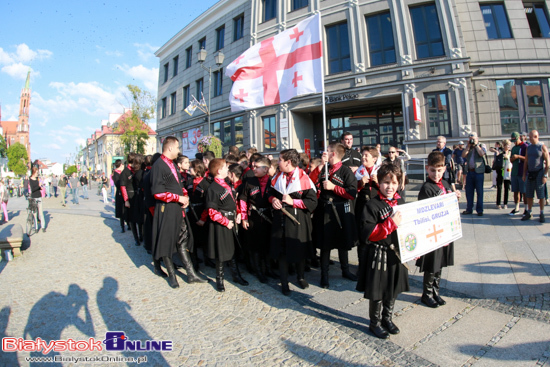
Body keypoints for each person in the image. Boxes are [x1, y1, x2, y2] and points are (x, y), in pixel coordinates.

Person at [356, 163, 408, 339]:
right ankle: (375, 323)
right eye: (386, 182)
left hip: (396, 254)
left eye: (393, 183)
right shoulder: (371, 205)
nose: (390, 187)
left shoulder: (401, 202)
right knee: (378, 291)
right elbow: (368, 233)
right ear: (379, 183)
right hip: (378, 253)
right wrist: (390, 223)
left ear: (399, 183)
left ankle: (387, 318)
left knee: (392, 288)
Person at [151, 137, 206, 288]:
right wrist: (178, 197)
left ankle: (191, 274)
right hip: (167, 209)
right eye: (177, 147)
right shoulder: (159, 165)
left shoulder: (172, 165)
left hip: (178, 209)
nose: (178, 150)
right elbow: (157, 192)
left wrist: (184, 196)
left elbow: (177, 184)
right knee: (167, 242)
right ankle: (172, 276)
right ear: (169, 148)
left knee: (182, 240)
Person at [269, 149, 317, 295]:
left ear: (288, 162)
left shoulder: (304, 178)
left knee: (299, 250)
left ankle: (300, 277)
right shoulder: (278, 177)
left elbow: (312, 202)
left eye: (280, 159)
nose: (278, 162)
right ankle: (284, 283)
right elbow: (270, 194)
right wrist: (273, 200)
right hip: (281, 220)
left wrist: (293, 202)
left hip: (298, 221)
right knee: (282, 252)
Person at [416, 152, 461, 308]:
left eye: (439, 170)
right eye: (433, 170)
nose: (436, 174)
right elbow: (424, 212)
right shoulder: (426, 188)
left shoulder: (447, 184)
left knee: (440, 263)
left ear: (444, 169)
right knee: (432, 264)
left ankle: (436, 291)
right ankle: (426, 294)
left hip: (444, 232)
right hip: (432, 232)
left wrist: (455, 198)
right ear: (427, 169)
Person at [311, 142, 358, 289]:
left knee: (342, 243)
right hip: (324, 210)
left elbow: (351, 193)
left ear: (333, 154)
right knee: (326, 245)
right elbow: (312, 182)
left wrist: (334, 187)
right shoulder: (324, 169)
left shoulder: (346, 171)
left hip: (339, 212)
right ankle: (324, 276)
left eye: (328, 151)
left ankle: (345, 270)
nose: (325, 153)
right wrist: (320, 168)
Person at [205, 158, 248, 292]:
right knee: (221, 253)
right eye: (225, 168)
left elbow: (233, 202)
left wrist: (239, 213)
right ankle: (220, 280)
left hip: (232, 220)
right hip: (221, 223)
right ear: (219, 171)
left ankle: (236, 275)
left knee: (232, 249)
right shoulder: (213, 188)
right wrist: (225, 222)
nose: (227, 170)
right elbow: (212, 211)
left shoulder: (227, 184)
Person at [240, 156, 273, 283]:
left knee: (267, 244)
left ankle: (268, 269)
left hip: (268, 217)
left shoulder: (272, 181)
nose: (253, 169)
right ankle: (258, 271)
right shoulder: (249, 181)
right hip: (254, 217)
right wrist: (244, 217)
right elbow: (243, 200)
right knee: (255, 246)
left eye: (257, 167)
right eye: (253, 166)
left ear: (266, 169)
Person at [522, 130, 549, 222]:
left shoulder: (542, 147)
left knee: (541, 195)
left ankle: (541, 213)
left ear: (536, 136)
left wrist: (545, 175)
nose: (530, 138)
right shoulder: (528, 148)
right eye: (529, 137)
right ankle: (529, 212)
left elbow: (548, 163)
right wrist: (524, 174)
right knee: (529, 194)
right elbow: (526, 161)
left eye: (531, 137)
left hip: (539, 173)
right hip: (530, 173)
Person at [461, 132, 487, 216]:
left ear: (477, 138)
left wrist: (476, 145)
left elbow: (482, 153)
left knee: (479, 191)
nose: (471, 140)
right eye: (470, 138)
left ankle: (479, 210)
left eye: (473, 138)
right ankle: (469, 209)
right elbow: (463, 155)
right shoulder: (468, 147)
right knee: (469, 192)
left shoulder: (481, 145)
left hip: (479, 172)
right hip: (470, 172)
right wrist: (468, 146)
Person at [355, 146, 380, 227]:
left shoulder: (380, 171)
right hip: (362, 204)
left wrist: (377, 182)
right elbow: (353, 188)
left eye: (366, 155)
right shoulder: (358, 171)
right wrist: (360, 183)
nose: (363, 158)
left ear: (374, 159)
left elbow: (387, 189)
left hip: (377, 204)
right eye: (362, 155)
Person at [509, 132, 528, 215]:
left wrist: (519, 157)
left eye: (516, 140)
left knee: (524, 191)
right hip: (515, 171)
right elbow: (511, 159)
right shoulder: (513, 148)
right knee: (515, 191)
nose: (515, 142)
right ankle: (517, 207)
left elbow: (527, 159)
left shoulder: (525, 146)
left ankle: (527, 208)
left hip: (522, 171)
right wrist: (513, 159)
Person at [29, 167, 47, 233]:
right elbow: (33, 189)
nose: (37, 174)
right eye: (37, 172)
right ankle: (36, 227)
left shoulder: (37, 179)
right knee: (35, 213)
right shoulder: (30, 179)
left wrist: (40, 188)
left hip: (39, 196)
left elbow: (37, 188)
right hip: (34, 197)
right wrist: (38, 186)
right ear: (34, 172)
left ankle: (43, 227)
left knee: (41, 213)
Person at [112, 160, 126, 232]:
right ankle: (122, 226)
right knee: (121, 210)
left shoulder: (122, 172)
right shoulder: (116, 173)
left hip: (124, 192)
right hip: (120, 193)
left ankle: (128, 224)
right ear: (120, 165)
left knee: (126, 209)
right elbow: (117, 184)